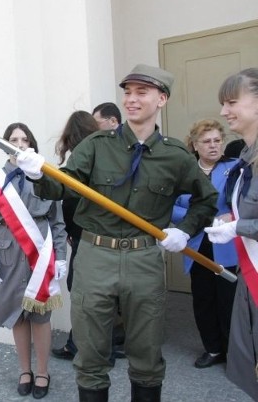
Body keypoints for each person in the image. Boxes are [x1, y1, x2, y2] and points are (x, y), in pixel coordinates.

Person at [17, 64, 218, 401]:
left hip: (144, 259)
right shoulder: (97, 145)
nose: (131, 99)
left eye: (141, 92)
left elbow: (207, 199)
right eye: (127, 92)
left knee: (147, 354)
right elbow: (64, 187)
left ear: (162, 99)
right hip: (96, 257)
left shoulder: (175, 155)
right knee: (91, 355)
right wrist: (38, 174)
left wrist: (184, 230)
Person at [0, 123, 68, 399]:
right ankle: (24, 371)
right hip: (8, 254)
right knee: (17, 315)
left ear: (32, 144)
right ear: (5, 145)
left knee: (40, 316)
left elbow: (58, 222)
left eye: (24, 139)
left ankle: (42, 372)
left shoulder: (45, 176)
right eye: (13, 140)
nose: (19, 144)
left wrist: (61, 257)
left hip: (40, 253)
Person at [51, 110, 126, 365]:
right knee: (107, 293)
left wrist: (71, 234)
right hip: (109, 238)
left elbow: (68, 203)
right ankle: (108, 344)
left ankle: (82, 346)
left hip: (84, 239)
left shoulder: (74, 169)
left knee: (82, 294)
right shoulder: (109, 161)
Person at [205, 68, 258, 400]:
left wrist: (237, 227)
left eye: (232, 102)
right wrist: (227, 217)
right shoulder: (244, 158)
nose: (224, 112)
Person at [172, 119, 238, 369]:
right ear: (195, 145)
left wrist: (232, 216)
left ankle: (233, 353)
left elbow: (244, 204)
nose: (213, 146)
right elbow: (172, 207)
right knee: (203, 299)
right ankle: (212, 349)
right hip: (197, 244)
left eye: (217, 141)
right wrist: (202, 217)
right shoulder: (184, 172)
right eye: (207, 142)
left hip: (227, 245)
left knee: (228, 301)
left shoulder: (235, 168)